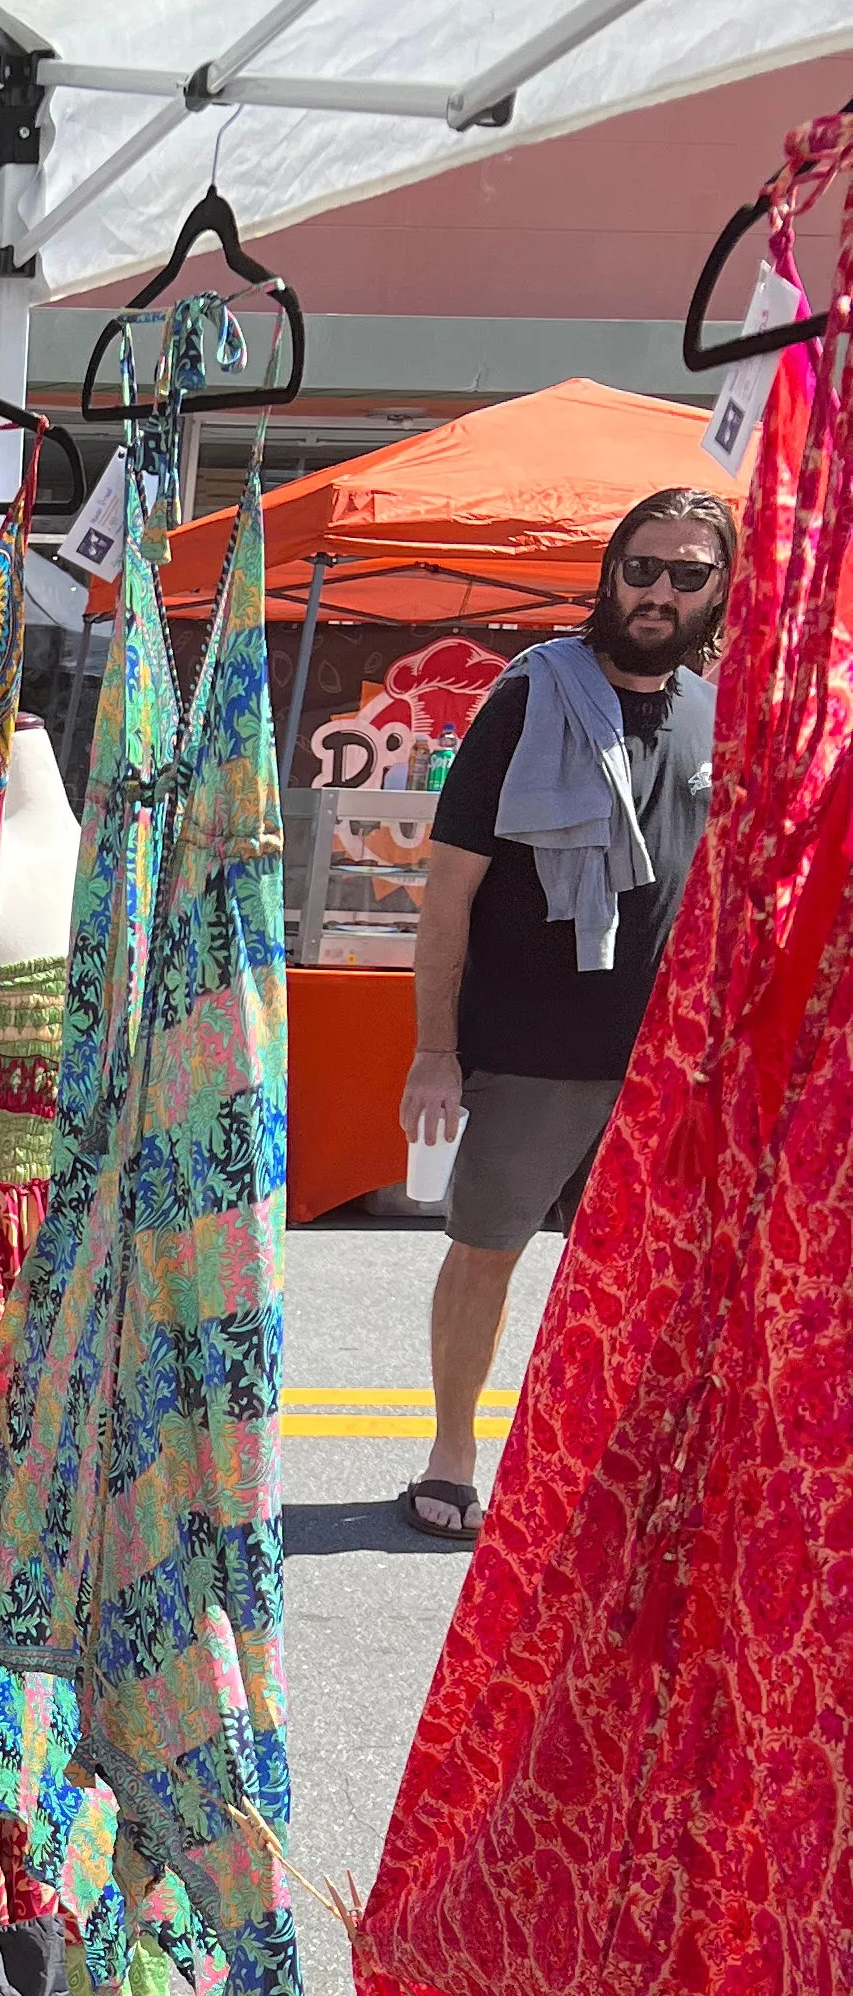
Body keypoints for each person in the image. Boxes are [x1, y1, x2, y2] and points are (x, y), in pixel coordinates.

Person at [396, 488, 733, 1538]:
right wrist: (434, 1053)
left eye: (687, 574)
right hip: (530, 1051)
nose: (658, 591)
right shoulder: (529, 696)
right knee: (488, 1251)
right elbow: (447, 889)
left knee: (640, 1287)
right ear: (609, 572)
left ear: (718, 590)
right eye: (641, 567)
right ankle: (453, 1456)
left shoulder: (710, 710)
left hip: (663, 1063)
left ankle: (599, 1473)